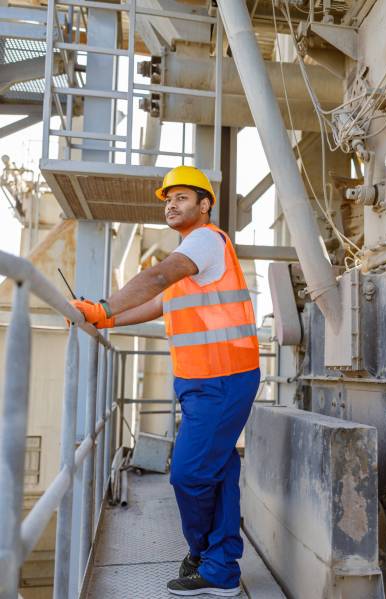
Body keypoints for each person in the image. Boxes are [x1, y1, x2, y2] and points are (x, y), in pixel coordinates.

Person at [71, 165, 260, 597]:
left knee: (189, 475)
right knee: (220, 468)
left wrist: (102, 306)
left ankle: (204, 558)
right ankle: (222, 564)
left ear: (205, 204)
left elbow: (156, 278)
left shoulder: (205, 240)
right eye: (168, 199)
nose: (171, 205)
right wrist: (106, 319)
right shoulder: (193, 258)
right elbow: (158, 301)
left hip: (222, 376)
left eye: (182, 198)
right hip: (203, 379)